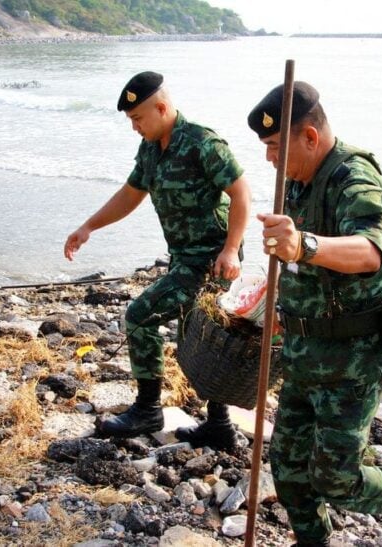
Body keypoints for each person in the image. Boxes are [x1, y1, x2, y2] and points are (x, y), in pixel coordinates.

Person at [247, 82, 382, 547]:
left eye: (275, 147)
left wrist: (303, 244)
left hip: (353, 360)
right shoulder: (296, 181)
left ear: (310, 137)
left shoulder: (355, 177)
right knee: (288, 472)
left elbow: (370, 251)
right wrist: (269, 301)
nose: (270, 160)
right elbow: (295, 261)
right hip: (304, 353)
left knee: (337, 479)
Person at [64, 71, 252, 450]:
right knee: (196, 331)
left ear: (162, 107)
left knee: (141, 316)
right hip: (182, 257)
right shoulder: (151, 147)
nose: (134, 127)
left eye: (138, 118)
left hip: (211, 261)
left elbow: (242, 193)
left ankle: (149, 409)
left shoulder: (202, 143)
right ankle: (218, 426)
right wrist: (88, 227)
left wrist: (231, 250)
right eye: (130, 120)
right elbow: (130, 194)